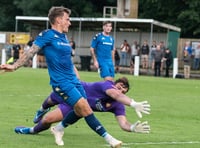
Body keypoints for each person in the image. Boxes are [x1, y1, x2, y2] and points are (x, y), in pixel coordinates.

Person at [0, 6, 123, 148]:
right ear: (58, 20)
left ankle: (58, 128)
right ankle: (110, 139)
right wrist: (14, 66)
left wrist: (77, 78)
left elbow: (69, 62)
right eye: (67, 19)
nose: (69, 23)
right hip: (61, 83)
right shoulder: (47, 35)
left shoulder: (64, 37)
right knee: (85, 109)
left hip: (73, 81)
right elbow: (31, 52)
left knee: (79, 110)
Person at [14, 77, 151, 146]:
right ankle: (41, 110)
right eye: (119, 86)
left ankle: (30, 130)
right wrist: (133, 103)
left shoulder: (118, 105)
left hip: (77, 105)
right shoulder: (107, 86)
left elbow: (123, 124)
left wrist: (132, 128)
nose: (120, 90)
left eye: (123, 90)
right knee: (49, 101)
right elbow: (116, 94)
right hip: (73, 91)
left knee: (48, 120)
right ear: (114, 84)